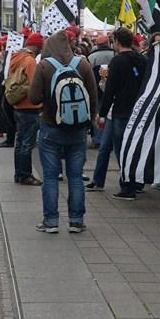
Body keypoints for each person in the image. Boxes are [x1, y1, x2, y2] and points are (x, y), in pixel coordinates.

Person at [29, 31, 97, 233]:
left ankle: (51, 222)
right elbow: (93, 98)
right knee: (75, 176)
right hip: (77, 130)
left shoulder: (44, 66)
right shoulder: (83, 64)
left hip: (50, 127)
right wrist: (88, 122)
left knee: (50, 177)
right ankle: (76, 221)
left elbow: (33, 98)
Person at [86, 28, 148, 198]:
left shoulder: (118, 61)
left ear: (117, 42)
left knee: (121, 149)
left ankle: (128, 185)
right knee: (106, 146)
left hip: (120, 110)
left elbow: (111, 90)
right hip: (133, 109)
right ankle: (99, 180)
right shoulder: (141, 59)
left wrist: (102, 113)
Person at [9, 32, 44, 186]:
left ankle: (18, 174)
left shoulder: (16, 57)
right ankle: (25, 175)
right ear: (37, 46)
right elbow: (34, 85)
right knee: (27, 143)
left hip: (17, 105)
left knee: (20, 141)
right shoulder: (30, 61)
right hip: (29, 106)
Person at [87, 33, 116, 149]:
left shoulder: (91, 57)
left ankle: (97, 139)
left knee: (97, 115)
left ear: (97, 45)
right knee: (111, 114)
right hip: (112, 89)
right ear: (108, 43)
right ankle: (110, 139)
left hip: (96, 90)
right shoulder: (114, 54)